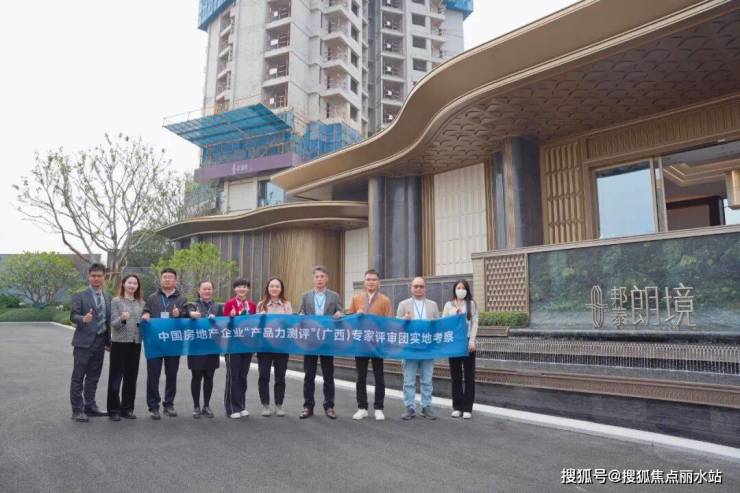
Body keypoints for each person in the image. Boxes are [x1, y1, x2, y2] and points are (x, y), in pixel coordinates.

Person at [141, 268, 187, 420]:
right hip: (155, 342)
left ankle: (169, 404)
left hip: (173, 342)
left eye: (170, 277)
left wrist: (179, 314)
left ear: (175, 280)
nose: (167, 279)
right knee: (153, 375)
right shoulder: (152, 298)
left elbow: (188, 316)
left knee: (171, 374)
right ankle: (153, 406)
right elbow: (146, 311)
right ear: (161, 280)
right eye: (165, 277)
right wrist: (146, 314)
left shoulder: (182, 299)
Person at [346, 269, 392, 421]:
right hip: (361, 343)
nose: (371, 282)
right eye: (368, 279)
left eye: (374, 279)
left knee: (379, 376)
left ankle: (379, 408)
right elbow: (348, 319)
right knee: (361, 376)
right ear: (364, 282)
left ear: (378, 282)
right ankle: (362, 407)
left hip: (377, 344)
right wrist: (356, 315)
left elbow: (389, 322)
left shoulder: (385, 300)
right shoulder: (356, 298)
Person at [299, 265, 343, 419]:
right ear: (313, 279)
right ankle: (308, 406)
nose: (319, 279)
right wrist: (301, 315)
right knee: (308, 375)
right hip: (310, 341)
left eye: (322, 276)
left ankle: (329, 406)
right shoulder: (305, 296)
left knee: (328, 375)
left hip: (327, 341)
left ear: (327, 279)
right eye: (317, 277)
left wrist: (339, 314)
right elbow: (301, 313)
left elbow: (341, 311)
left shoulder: (334, 296)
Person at [69, 263, 111, 422]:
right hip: (83, 343)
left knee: (94, 377)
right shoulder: (79, 295)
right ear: (89, 276)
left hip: (100, 342)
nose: (96, 278)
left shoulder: (107, 297)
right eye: (93, 276)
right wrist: (83, 319)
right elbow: (73, 316)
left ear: (104, 277)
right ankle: (77, 410)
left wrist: (108, 341)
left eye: (99, 276)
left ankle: (90, 406)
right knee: (78, 377)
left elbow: (107, 320)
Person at [397, 276, 440, 421]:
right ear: (411, 288)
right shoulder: (403, 304)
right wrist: (404, 320)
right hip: (410, 348)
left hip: (427, 348)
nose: (418, 289)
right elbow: (396, 326)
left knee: (427, 380)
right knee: (408, 380)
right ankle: (409, 407)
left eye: (421, 286)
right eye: (416, 286)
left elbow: (438, 327)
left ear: (425, 288)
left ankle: (426, 407)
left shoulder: (433, 305)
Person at [107, 274, 145, 421]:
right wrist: (122, 319)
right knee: (116, 377)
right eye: (129, 283)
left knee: (131, 378)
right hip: (119, 343)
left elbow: (144, 323)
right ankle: (114, 410)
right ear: (123, 284)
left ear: (138, 286)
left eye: (135, 283)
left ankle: (127, 409)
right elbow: (113, 324)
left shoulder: (141, 303)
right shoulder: (116, 301)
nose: (132, 286)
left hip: (135, 343)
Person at [184, 280, 222, 419]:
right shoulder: (192, 305)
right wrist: (192, 314)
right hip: (196, 347)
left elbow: (223, 326)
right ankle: (196, 406)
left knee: (209, 377)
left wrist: (216, 321)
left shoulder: (217, 307)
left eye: (209, 289)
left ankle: (206, 405)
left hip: (212, 347)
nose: (207, 291)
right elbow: (187, 314)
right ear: (198, 290)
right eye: (204, 289)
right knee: (196, 376)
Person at [256, 277, 292, 417]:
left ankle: (279, 405)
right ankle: (265, 405)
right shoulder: (261, 304)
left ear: (281, 288)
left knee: (280, 377)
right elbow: (256, 326)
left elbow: (290, 324)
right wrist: (260, 318)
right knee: (264, 376)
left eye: (277, 286)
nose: (274, 288)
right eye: (272, 286)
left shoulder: (286, 305)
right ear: (268, 288)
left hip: (281, 347)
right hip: (264, 346)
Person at [443, 280, 479, 419]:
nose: (461, 290)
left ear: (467, 290)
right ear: (454, 289)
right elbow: (444, 322)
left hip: (467, 342)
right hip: (454, 343)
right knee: (456, 376)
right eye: (458, 288)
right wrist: (455, 314)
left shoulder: (471, 304)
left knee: (469, 376)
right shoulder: (448, 305)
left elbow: (475, 323)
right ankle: (457, 407)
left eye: (463, 288)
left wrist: (472, 340)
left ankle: (467, 408)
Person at [223, 278, 257, 419]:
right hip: (232, 345)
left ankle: (241, 405)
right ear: (234, 289)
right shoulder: (229, 303)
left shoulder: (252, 305)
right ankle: (231, 408)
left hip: (247, 345)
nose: (242, 289)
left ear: (248, 289)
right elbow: (223, 324)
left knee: (243, 376)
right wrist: (230, 317)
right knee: (233, 376)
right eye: (239, 286)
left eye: (245, 286)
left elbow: (255, 324)